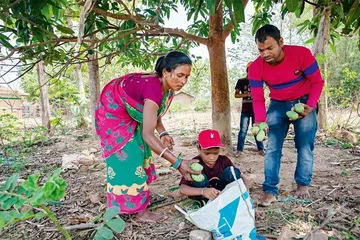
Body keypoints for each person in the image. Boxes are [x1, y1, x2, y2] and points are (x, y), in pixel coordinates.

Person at [95, 51, 201, 223]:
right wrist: (178, 163)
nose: (183, 81)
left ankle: (137, 203)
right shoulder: (153, 89)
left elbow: (153, 113)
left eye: (187, 77)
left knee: (139, 151)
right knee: (128, 156)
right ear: (166, 72)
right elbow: (148, 134)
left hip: (127, 112)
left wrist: (163, 132)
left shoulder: (165, 88)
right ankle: (136, 211)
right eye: (180, 75)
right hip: (113, 115)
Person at [248, 25, 324, 206]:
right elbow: (258, 99)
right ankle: (270, 190)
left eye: (269, 48)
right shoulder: (255, 68)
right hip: (278, 105)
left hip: (303, 102)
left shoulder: (301, 54)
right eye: (261, 50)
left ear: (281, 42)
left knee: (304, 145)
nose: (265, 54)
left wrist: (310, 106)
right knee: (272, 147)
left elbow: (317, 81)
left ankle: (302, 184)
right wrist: (260, 121)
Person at [179, 129, 244, 203]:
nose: (211, 157)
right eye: (207, 153)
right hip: (203, 197)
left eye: (215, 153)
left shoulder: (224, 161)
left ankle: (230, 199)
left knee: (233, 172)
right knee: (199, 178)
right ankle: (203, 203)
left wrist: (246, 192)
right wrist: (203, 191)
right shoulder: (194, 164)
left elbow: (241, 176)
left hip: (222, 195)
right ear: (199, 149)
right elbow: (183, 188)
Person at [235, 62, 265, 157]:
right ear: (247, 70)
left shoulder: (258, 81)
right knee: (243, 130)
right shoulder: (241, 81)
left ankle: (261, 149)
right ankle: (239, 150)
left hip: (256, 110)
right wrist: (247, 94)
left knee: (257, 129)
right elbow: (236, 94)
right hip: (245, 109)